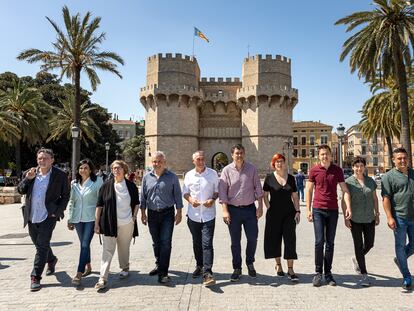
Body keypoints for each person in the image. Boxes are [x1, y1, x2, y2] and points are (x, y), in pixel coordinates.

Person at [17, 148, 70, 291]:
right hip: (31, 215)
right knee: (39, 244)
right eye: (40, 158)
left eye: (45, 158)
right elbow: (20, 190)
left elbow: (65, 195)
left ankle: (35, 277)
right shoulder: (30, 173)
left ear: (52, 160)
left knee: (41, 246)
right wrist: (27, 179)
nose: (42, 161)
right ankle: (51, 259)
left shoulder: (60, 175)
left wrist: (57, 212)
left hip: (48, 216)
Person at [306, 144, 351, 287]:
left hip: (332, 210)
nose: (325, 156)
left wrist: (348, 207)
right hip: (318, 209)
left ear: (331, 155)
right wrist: (308, 209)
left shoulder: (337, 170)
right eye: (322, 154)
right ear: (318, 156)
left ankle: (328, 273)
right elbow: (309, 190)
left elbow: (345, 190)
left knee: (330, 243)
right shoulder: (314, 170)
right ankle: (318, 273)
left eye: (327, 154)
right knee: (319, 242)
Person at [219, 144, 264, 282]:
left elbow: (258, 188)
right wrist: (225, 211)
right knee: (235, 242)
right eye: (237, 153)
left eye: (241, 153)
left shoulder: (252, 169)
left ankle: (250, 262)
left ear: (244, 154)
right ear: (232, 155)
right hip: (233, 211)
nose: (239, 155)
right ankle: (237, 268)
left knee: (252, 238)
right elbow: (222, 192)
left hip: (250, 209)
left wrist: (260, 207)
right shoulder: (226, 171)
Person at [94, 160, 140, 290]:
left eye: (119, 168)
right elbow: (99, 205)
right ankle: (102, 278)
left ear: (124, 170)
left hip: (127, 223)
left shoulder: (131, 186)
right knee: (107, 251)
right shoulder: (106, 186)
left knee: (124, 248)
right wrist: (96, 223)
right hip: (109, 223)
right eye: (114, 168)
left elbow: (136, 203)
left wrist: (134, 217)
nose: (116, 170)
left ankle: (125, 267)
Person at [140, 151, 183, 284]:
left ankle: (163, 272)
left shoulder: (172, 177)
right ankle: (159, 264)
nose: (156, 164)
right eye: (154, 162)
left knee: (166, 242)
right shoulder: (146, 177)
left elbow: (177, 195)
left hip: (167, 214)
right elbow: (143, 197)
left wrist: (179, 212)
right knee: (156, 242)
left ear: (164, 162)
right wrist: (142, 213)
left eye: (159, 161)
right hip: (152, 214)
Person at [182, 151, 219, 286]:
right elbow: (185, 192)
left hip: (209, 215)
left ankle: (208, 273)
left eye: (203, 159)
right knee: (196, 242)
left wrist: (212, 199)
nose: (201, 161)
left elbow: (217, 190)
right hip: (194, 215)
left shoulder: (213, 174)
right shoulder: (189, 175)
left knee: (207, 243)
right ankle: (199, 265)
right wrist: (191, 200)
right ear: (193, 161)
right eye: (198, 159)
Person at [263, 153, 300, 282]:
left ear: (285, 163)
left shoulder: (291, 178)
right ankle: (278, 265)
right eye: (277, 162)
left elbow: (295, 196)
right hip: (274, 214)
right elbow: (265, 195)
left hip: (289, 214)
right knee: (275, 240)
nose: (279, 164)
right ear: (274, 164)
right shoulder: (269, 178)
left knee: (290, 240)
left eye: (281, 161)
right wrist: (268, 207)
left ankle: (290, 269)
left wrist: (298, 211)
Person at [343, 157, 379, 287]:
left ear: (365, 167)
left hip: (369, 217)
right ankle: (364, 274)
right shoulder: (348, 182)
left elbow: (375, 198)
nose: (359, 168)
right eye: (356, 166)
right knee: (358, 246)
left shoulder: (370, 181)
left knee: (370, 243)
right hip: (355, 219)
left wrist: (377, 214)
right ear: (353, 167)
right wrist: (345, 218)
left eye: (361, 166)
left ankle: (357, 258)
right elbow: (344, 200)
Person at [381, 147, 414, 290]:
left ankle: (400, 260)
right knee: (400, 246)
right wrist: (389, 217)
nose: (402, 160)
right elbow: (386, 198)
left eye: (404, 157)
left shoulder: (413, 173)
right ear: (393, 160)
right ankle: (406, 276)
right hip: (399, 218)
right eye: (399, 158)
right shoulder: (388, 176)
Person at [67, 159, 103, 286]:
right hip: (77, 219)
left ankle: (79, 273)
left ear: (90, 169)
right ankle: (88, 266)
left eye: (86, 168)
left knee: (84, 244)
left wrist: (99, 221)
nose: (83, 170)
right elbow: (71, 201)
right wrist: (69, 218)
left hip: (91, 218)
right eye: (81, 168)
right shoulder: (74, 183)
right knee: (84, 244)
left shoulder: (97, 182)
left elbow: (101, 201)